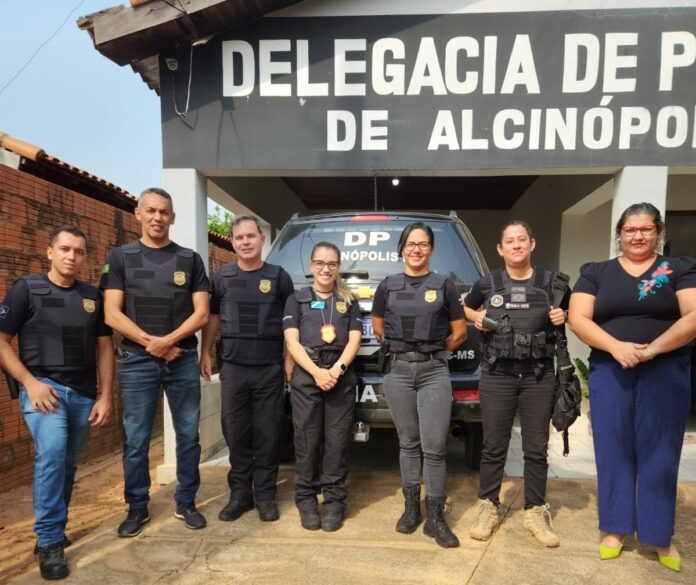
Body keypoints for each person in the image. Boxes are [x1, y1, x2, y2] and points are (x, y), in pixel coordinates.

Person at [569, 202, 696, 572]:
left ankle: (658, 535)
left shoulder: (679, 269)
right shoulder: (596, 272)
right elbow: (578, 318)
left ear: (658, 233)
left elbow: (692, 315)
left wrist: (653, 349)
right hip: (611, 370)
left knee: (661, 451)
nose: (638, 236)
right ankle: (615, 528)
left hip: (666, 370)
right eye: (630, 230)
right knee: (613, 447)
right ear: (619, 234)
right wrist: (617, 348)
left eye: (646, 229)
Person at [0, 226, 114, 580]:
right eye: (64, 249)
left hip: (81, 393)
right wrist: (30, 384)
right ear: (49, 252)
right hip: (43, 388)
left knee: (65, 464)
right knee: (51, 453)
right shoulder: (26, 289)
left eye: (79, 251)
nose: (71, 256)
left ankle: (53, 528)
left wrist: (106, 395)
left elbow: (105, 348)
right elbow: (1, 340)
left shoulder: (92, 296)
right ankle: (49, 541)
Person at [101, 188, 210, 537]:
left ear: (173, 217)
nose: (157, 217)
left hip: (181, 359)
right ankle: (137, 507)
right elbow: (111, 314)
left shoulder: (190, 259)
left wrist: (170, 342)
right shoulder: (119, 258)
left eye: (164, 212)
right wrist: (155, 344)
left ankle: (186, 501)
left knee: (188, 435)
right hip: (136, 360)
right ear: (138, 214)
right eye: (150, 211)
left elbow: (203, 313)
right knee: (135, 437)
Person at [463, 220, 569, 548]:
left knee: (535, 448)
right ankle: (488, 506)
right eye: (510, 241)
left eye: (522, 239)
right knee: (494, 445)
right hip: (498, 375)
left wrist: (563, 317)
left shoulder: (554, 283)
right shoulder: (489, 282)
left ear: (532, 244)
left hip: (538, 376)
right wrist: (475, 317)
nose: (516, 245)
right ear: (500, 248)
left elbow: (575, 314)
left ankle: (535, 510)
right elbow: (463, 306)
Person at [371, 221, 466, 549]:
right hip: (397, 372)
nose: (416, 249)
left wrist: (434, 351)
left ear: (431, 249)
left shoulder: (444, 285)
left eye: (423, 244)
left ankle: (436, 516)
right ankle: (411, 508)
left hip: (433, 373)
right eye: (410, 244)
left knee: (434, 446)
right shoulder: (388, 285)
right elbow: (378, 325)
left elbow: (460, 330)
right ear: (402, 248)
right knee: (408, 443)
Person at [200, 215, 294, 523]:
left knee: (268, 434)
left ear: (261, 239)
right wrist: (206, 352)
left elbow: (290, 324)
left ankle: (265, 494)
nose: (245, 241)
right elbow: (213, 318)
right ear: (233, 241)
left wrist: (288, 360)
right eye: (239, 237)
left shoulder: (279, 277)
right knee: (236, 433)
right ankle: (240, 494)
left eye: (251, 236)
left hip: (268, 368)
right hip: (234, 369)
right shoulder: (222, 278)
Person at [283, 242, 362, 532]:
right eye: (320, 263)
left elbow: (354, 340)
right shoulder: (296, 299)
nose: (326, 269)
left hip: (340, 377)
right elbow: (292, 341)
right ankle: (305, 500)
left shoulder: (349, 301)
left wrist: (337, 370)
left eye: (331, 263)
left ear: (338, 266)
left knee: (337, 442)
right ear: (312, 266)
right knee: (307, 440)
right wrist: (317, 372)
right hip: (308, 375)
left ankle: (333, 501)